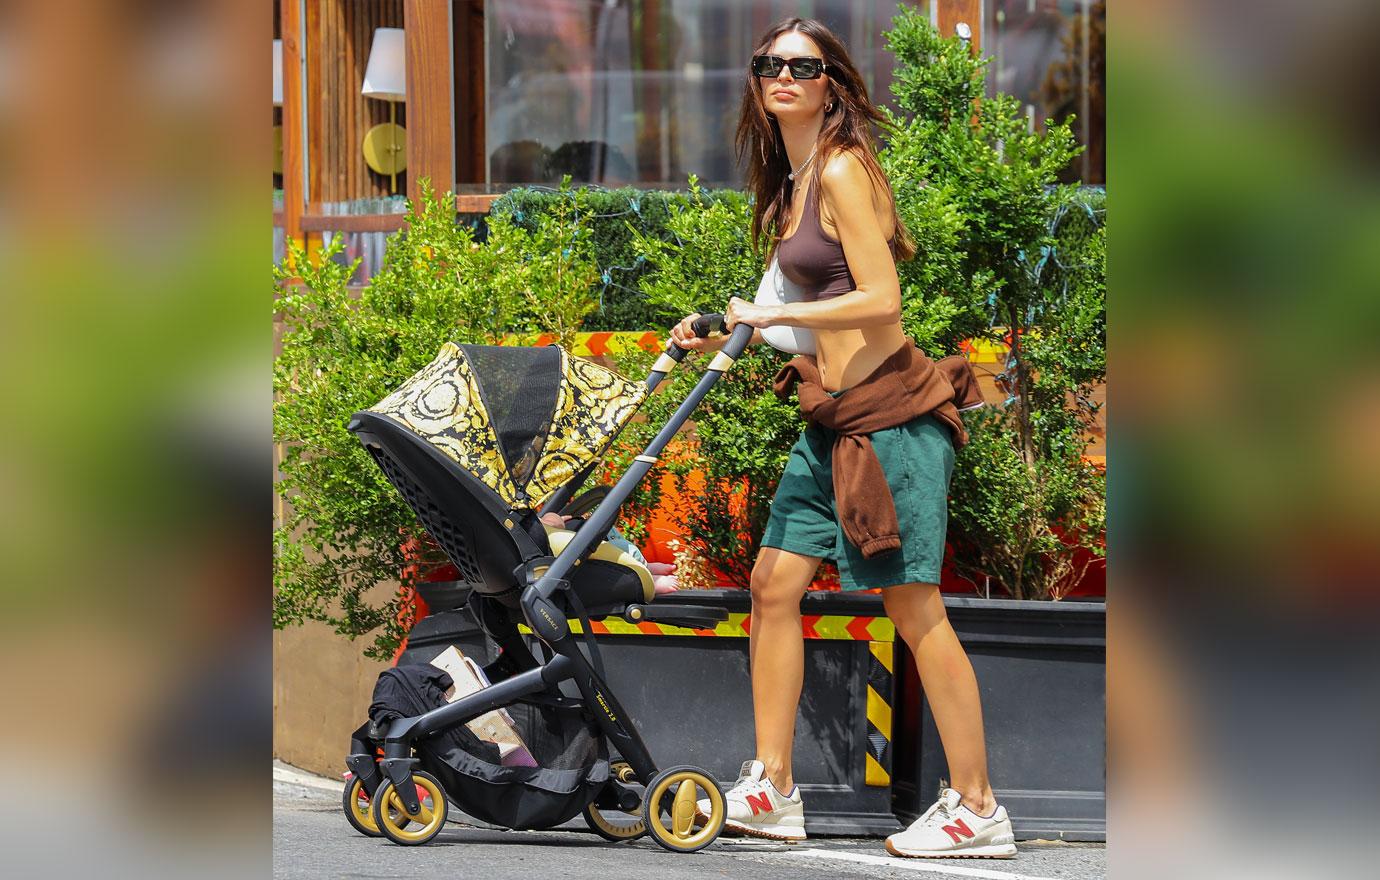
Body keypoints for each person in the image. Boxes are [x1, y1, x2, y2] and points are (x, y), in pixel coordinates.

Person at [671, 17, 1016, 860]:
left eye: (804, 65)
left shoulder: (844, 169)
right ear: (757, 83)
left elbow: (882, 300)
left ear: (833, 84)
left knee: (912, 606)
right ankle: (774, 788)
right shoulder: (793, 182)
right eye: (769, 64)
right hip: (833, 425)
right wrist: (725, 331)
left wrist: (778, 309)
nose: (784, 75)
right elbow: (794, 325)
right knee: (772, 585)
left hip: (892, 424)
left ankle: (978, 807)